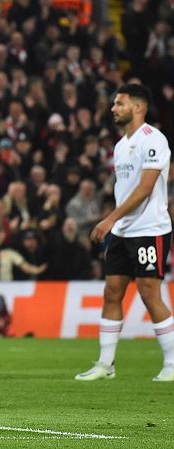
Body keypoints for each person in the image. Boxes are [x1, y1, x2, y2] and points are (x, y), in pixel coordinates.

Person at [76, 84, 174, 382]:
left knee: (148, 293)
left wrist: (109, 219)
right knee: (111, 292)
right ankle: (106, 364)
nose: (113, 109)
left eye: (119, 104)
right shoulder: (120, 146)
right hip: (123, 231)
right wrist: (116, 223)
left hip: (150, 229)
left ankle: (171, 363)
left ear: (137, 107)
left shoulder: (153, 139)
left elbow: (145, 189)